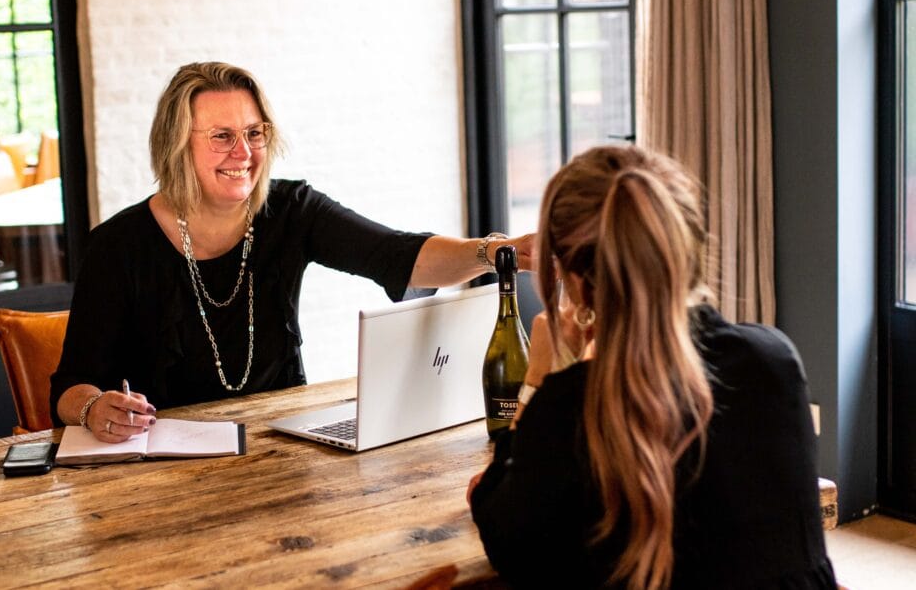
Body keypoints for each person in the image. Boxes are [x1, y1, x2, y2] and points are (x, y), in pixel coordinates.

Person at [49, 61, 533, 440]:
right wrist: (95, 410)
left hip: (281, 450)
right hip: (157, 474)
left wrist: (496, 251)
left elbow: (402, 256)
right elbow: (70, 390)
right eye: (221, 136)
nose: (243, 153)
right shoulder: (118, 245)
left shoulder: (291, 210)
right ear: (176, 145)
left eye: (254, 133)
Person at [467, 145, 835, 589]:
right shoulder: (773, 360)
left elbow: (506, 538)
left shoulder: (569, 407)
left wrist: (537, 378)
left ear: (578, 283)